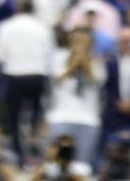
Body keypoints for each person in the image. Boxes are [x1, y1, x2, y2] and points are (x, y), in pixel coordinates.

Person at [0, 0, 55, 164]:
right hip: (37, 77)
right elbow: (50, 56)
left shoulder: (6, 26)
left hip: (15, 77)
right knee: (35, 118)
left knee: (14, 120)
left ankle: (20, 155)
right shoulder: (43, 28)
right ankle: (34, 149)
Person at [45, 29, 105, 168]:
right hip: (61, 118)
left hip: (88, 120)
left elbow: (97, 79)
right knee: (56, 166)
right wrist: (74, 61)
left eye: (83, 42)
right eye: (77, 41)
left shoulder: (97, 60)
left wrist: (84, 60)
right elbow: (58, 78)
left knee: (82, 167)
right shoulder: (58, 58)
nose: (79, 45)